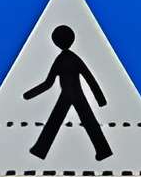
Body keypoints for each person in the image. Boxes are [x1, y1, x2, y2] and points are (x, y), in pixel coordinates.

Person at [25, 24, 112, 164]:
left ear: (56, 42)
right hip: (76, 94)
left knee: (54, 123)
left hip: (67, 95)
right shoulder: (74, 58)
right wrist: (100, 99)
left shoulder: (60, 60)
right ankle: (103, 150)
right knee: (89, 123)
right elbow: (90, 78)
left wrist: (29, 94)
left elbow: (48, 83)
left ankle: (40, 149)